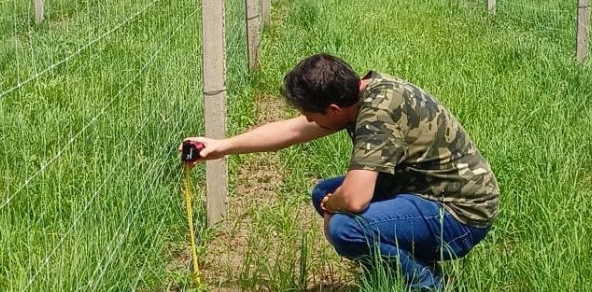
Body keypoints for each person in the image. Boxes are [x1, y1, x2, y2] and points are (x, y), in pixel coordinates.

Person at [185, 53, 499, 291]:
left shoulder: (378, 115)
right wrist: (221, 147)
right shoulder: (362, 93)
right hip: (426, 191)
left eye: (310, 114)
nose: (307, 121)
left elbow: (356, 199)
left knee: (345, 228)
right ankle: (408, 267)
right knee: (325, 194)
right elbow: (290, 132)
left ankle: (428, 284)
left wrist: (334, 207)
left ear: (333, 110)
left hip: (461, 214)